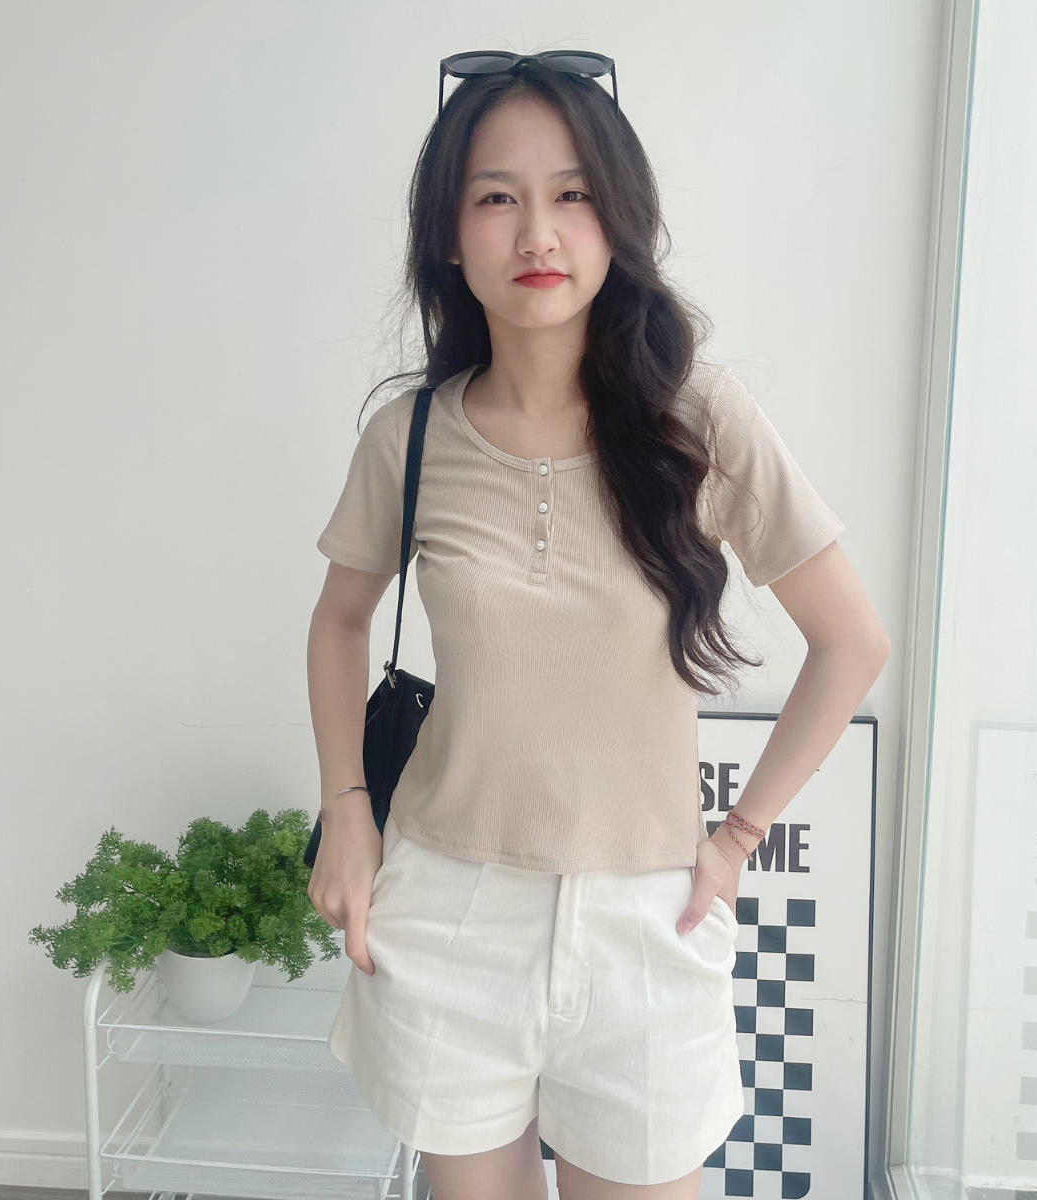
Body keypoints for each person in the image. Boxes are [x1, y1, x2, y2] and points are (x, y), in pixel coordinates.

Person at [306, 52, 890, 1200]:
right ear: (449, 235)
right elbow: (338, 622)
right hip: (452, 905)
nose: (538, 232)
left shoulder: (700, 421)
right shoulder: (410, 439)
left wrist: (737, 839)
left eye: (572, 194)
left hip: (647, 918)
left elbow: (852, 641)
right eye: (497, 196)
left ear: (618, 218)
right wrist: (347, 816)